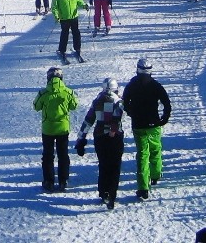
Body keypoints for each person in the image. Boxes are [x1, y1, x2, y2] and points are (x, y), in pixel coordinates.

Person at [122, 58, 172, 199]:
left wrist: (131, 112)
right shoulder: (155, 85)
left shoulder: (132, 85)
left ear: (137, 69)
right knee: (156, 149)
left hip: (139, 125)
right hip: (154, 124)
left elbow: (125, 102)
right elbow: (167, 103)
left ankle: (143, 187)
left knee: (142, 154)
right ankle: (155, 175)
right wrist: (164, 118)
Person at [74, 77, 125, 210]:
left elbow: (88, 120)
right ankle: (112, 194)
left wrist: (81, 138)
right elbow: (117, 117)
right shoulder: (118, 101)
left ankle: (104, 192)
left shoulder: (97, 101)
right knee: (115, 166)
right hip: (115, 137)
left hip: (100, 137)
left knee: (103, 164)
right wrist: (113, 130)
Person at [33, 66, 78, 193]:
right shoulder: (68, 92)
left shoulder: (43, 93)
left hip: (48, 129)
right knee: (63, 154)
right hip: (63, 128)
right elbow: (74, 106)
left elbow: (36, 106)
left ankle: (49, 181)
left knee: (48, 155)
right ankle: (63, 181)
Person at [52, 0, 88, 64]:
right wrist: (56, 15)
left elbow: (79, 1)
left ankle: (78, 48)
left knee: (76, 33)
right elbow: (54, 6)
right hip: (64, 18)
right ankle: (62, 50)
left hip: (74, 16)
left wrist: (84, 5)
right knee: (65, 34)